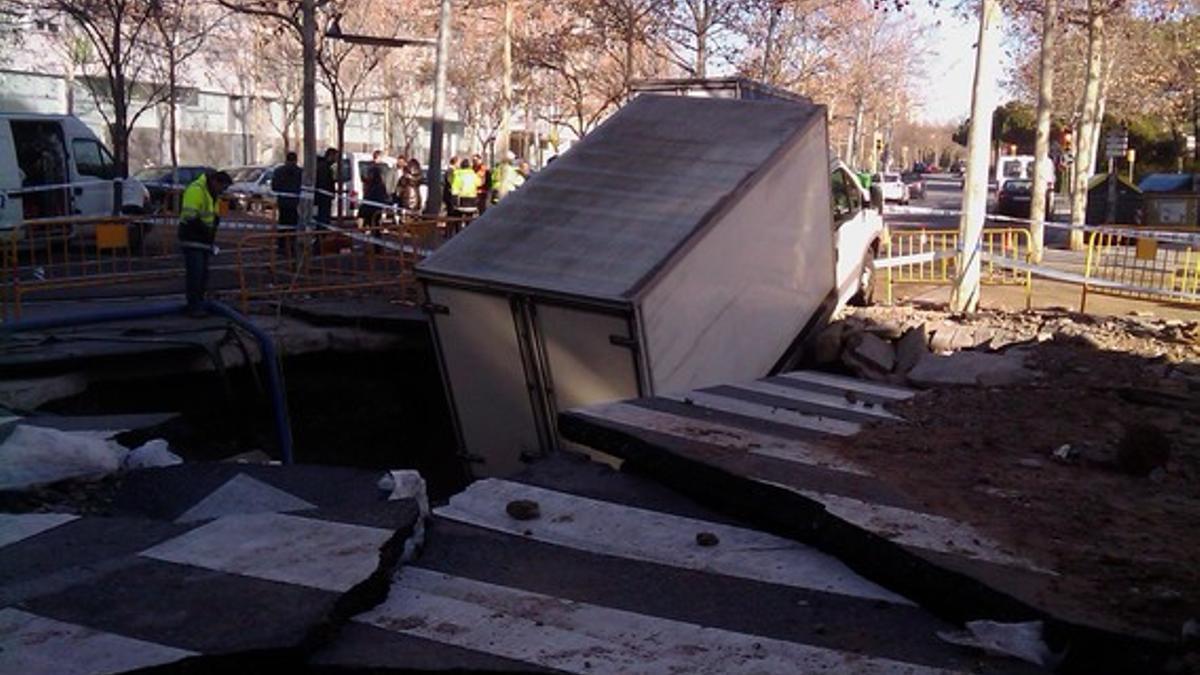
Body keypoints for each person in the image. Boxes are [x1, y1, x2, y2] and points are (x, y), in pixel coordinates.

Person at [178, 170, 232, 315]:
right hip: (192, 237)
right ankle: (194, 305)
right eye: (223, 187)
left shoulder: (211, 194)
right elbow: (190, 216)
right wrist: (205, 232)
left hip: (203, 240)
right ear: (215, 182)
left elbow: (212, 217)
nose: (223, 191)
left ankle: (198, 303)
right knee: (196, 273)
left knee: (202, 274)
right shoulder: (196, 190)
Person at [270, 151, 302, 254]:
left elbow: (274, 186)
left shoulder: (278, 171)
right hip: (295, 202)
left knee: (282, 223)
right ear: (296, 160)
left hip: (282, 202)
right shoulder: (300, 172)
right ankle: (292, 246)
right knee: (293, 224)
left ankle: (281, 245)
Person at [448, 157, 480, 233]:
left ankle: (458, 233)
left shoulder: (458, 175)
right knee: (469, 219)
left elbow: (455, 188)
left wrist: (454, 200)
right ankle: (468, 233)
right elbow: (479, 183)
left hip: (462, 200)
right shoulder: (473, 174)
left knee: (458, 218)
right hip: (472, 200)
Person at [358, 163, 390, 237]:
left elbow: (380, 197)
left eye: (370, 174)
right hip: (372, 209)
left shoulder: (376, 185)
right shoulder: (372, 184)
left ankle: (376, 244)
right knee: (374, 226)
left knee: (375, 227)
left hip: (373, 209)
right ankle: (375, 243)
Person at [314, 147, 337, 226]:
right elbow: (325, 183)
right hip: (324, 197)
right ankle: (321, 235)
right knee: (323, 217)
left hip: (323, 196)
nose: (336, 159)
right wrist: (330, 193)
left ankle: (320, 234)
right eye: (335, 156)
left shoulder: (322, 166)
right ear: (330, 156)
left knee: (322, 216)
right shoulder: (325, 167)